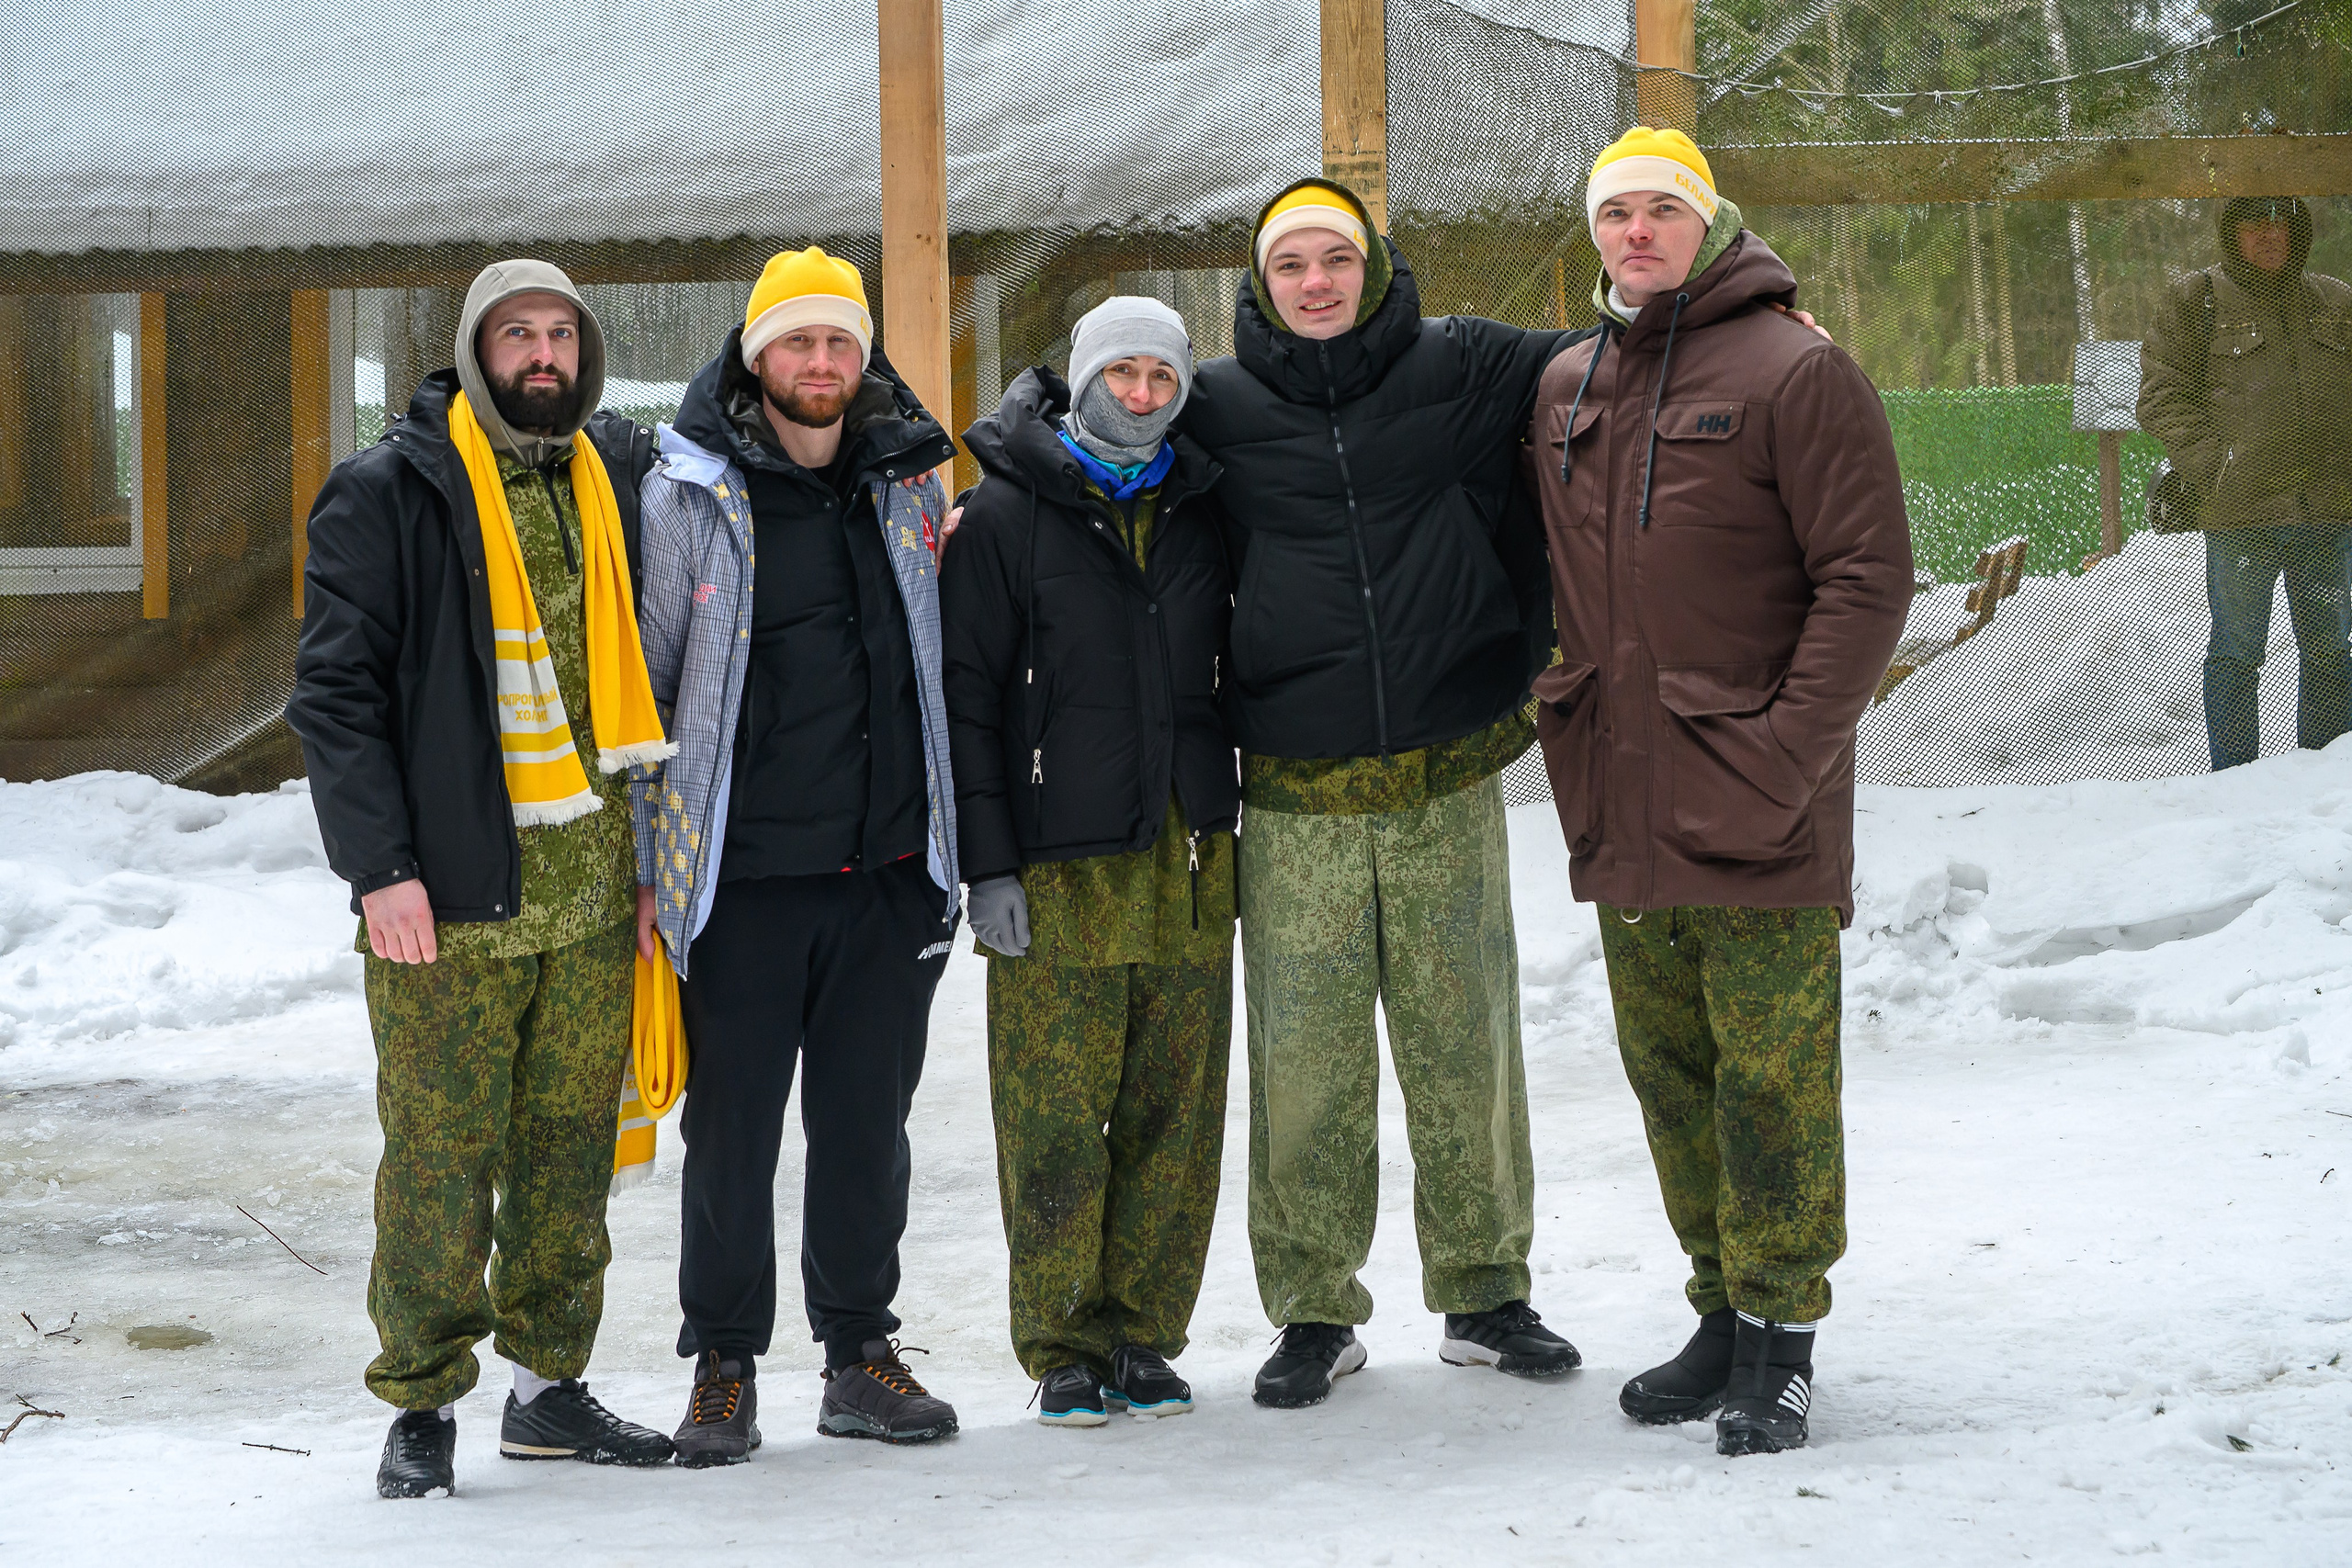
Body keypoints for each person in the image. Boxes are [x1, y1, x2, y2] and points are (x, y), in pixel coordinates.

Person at [1524, 129, 1912, 1456]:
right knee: (1671, 1071)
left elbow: (1867, 580)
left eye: (1662, 211)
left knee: (1775, 1079)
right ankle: (1718, 1313)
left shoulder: (1798, 370)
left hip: (1756, 798)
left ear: (1709, 220)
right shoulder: (1568, 379)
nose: (1638, 232)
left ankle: (1784, 1334)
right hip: (1625, 800)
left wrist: (1788, 756)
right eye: (1616, 212)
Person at [1180, 178, 1584, 1407]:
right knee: (1305, 1060)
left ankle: (1488, 1287)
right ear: (1260, 280)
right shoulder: (1217, 401)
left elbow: (1600, 356)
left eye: (1335, 257)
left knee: (1468, 1043)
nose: (1316, 280)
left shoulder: (1459, 363)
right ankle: (1312, 1307)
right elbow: (1100, 415)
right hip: (1294, 789)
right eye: (1290, 262)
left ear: (1373, 263)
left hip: (1444, 772)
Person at [288, 259, 678, 1498]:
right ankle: (423, 1398)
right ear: (474, 348)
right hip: (449, 902)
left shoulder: (610, 479)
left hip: (588, 895)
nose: (544, 353)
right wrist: (379, 868)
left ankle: (548, 1387)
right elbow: (335, 698)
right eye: (519, 333)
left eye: (563, 332)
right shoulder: (388, 492)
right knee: (442, 1157)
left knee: (571, 1154)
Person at [631, 247, 962, 1466]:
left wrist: (940, 857)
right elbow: (650, 692)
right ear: (755, 353)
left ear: (863, 356)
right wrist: (652, 874)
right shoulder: (688, 495)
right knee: (733, 1129)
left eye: (839, 343)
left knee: (868, 1123)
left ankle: (859, 1353)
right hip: (744, 880)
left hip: (883, 871)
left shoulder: (911, 483)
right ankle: (723, 1362)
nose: (819, 365)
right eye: (797, 343)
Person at [942, 297, 1239, 1426]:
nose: (1144, 398)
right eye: (1122, 375)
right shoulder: (1006, 516)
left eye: (1162, 379)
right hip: (1057, 868)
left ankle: (1143, 1336)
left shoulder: (1202, 507)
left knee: (1177, 1110)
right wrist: (989, 865)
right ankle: (1063, 1342)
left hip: (1185, 856)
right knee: (1056, 1117)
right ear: (1081, 379)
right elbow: (967, 702)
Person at [2137, 195, 2352, 771]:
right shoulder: (2197, 300)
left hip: (2328, 514)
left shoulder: (2336, 301)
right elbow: (2161, 395)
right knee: (2237, 653)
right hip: (2242, 520)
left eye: (2280, 223)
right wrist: (2218, 469)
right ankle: (2235, 781)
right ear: (2232, 234)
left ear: (2298, 231)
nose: (2269, 235)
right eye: (2254, 224)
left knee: (2332, 654)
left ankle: (2325, 784)